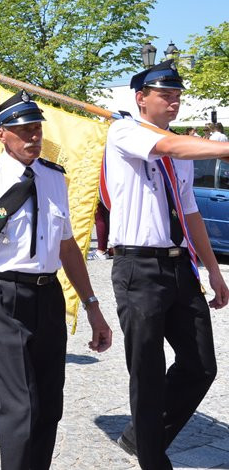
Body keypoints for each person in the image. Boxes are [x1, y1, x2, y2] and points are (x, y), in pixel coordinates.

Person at [0, 90, 112, 470]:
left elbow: (68, 247)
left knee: (48, 404)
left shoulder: (54, 177)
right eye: (24, 131)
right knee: (20, 404)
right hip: (2, 295)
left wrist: (93, 308)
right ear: (2, 135)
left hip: (47, 295)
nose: (34, 138)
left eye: (37, 129)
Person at [101, 60, 229, 468]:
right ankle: (154, 459)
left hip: (179, 267)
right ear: (141, 98)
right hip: (138, 268)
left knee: (200, 365)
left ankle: (142, 436)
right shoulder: (125, 131)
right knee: (148, 370)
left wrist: (213, 269)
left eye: (177, 95)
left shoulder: (181, 149)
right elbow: (169, 147)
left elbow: (190, 213)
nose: (174, 101)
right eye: (165, 95)